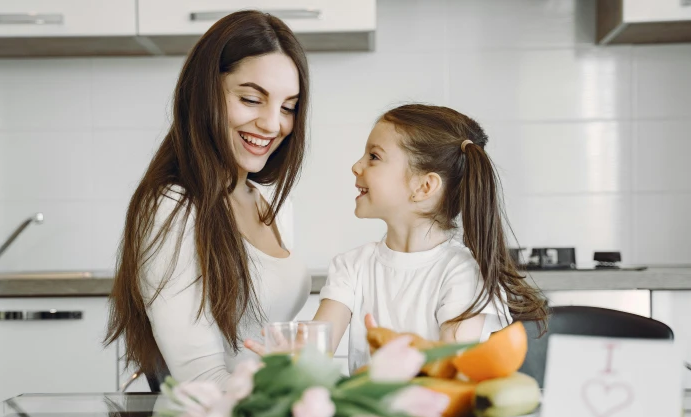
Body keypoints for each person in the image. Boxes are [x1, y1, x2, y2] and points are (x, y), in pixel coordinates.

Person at [248, 103, 547, 373]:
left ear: (424, 187)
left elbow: (450, 371)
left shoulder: (461, 273)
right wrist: (296, 359)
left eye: (374, 157)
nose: (356, 166)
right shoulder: (352, 267)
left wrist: (391, 363)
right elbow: (317, 347)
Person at [106, 10, 312, 388]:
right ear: (204, 93)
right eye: (252, 99)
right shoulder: (173, 207)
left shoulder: (264, 201)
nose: (272, 124)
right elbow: (200, 378)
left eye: (288, 107)